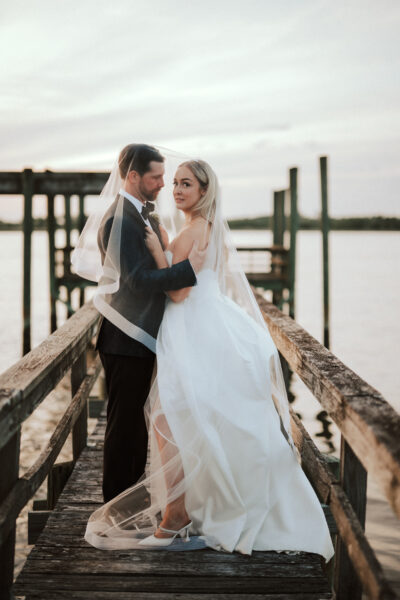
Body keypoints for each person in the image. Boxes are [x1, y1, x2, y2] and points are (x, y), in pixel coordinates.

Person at [82, 155, 335, 563]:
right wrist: (166, 245)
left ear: (203, 191)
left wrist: (160, 251)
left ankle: (176, 517)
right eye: (173, 182)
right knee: (192, 417)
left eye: (185, 184)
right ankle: (186, 510)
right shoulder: (205, 227)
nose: (176, 189)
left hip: (190, 327)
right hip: (208, 323)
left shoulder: (191, 231)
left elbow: (179, 292)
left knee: (170, 419)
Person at [72, 144, 206, 502]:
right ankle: (115, 503)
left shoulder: (142, 214)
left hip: (138, 336)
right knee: (123, 426)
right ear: (133, 176)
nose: (164, 183)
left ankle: (130, 496)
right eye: (156, 176)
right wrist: (188, 271)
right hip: (125, 338)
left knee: (136, 424)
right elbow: (136, 280)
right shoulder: (120, 220)